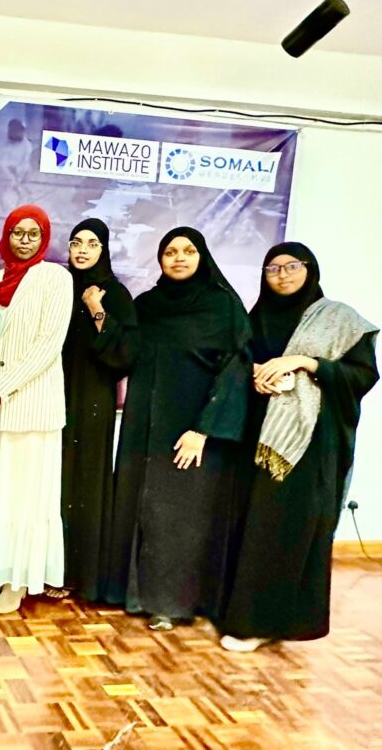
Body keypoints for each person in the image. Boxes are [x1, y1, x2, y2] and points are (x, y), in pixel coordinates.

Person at [219, 243, 378, 651]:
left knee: (282, 529)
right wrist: (255, 375)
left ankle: (264, 623)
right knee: (253, 525)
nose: (282, 275)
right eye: (272, 268)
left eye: (292, 266)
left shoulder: (339, 319)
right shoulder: (257, 318)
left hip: (308, 444)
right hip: (257, 437)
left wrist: (306, 363)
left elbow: (362, 376)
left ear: (310, 269)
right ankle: (251, 617)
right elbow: (241, 363)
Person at [109, 227, 251, 630]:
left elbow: (234, 371)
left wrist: (203, 430)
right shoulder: (149, 305)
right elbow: (124, 355)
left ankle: (174, 604)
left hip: (194, 432)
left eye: (188, 251)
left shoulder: (222, 307)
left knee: (182, 518)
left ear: (202, 256)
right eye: (170, 251)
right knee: (144, 511)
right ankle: (137, 596)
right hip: (145, 429)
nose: (179, 258)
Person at [0, 205, 73, 614]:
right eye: (17, 232)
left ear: (44, 239)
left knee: (27, 496)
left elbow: (48, 344)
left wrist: (0, 386)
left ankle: (19, 580)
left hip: (33, 406)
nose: (24, 240)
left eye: (33, 234)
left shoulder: (55, 278)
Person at [60, 218, 138, 602]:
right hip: (56, 395)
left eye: (92, 243)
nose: (83, 250)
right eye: (77, 242)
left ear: (104, 249)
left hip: (93, 398)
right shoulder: (57, 285)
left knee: (87, 483)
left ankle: (84, 576)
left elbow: (124, 354)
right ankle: (54, 570)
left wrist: (96, 310)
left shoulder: (115, 293)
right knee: (57, 481)